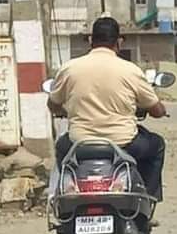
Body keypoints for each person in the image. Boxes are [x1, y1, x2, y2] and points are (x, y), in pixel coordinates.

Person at [48, 17, 167, 200]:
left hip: (79, 143)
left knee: (61, 147)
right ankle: (147, 199)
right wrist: (160, 108)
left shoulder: (70, 68)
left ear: (90, 40)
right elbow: (157, 111)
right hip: (125, 143)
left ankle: (65, 196)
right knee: (157, 145)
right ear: (118, 42)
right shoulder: (130, 70)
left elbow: (53, 104)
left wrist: (66, 111)